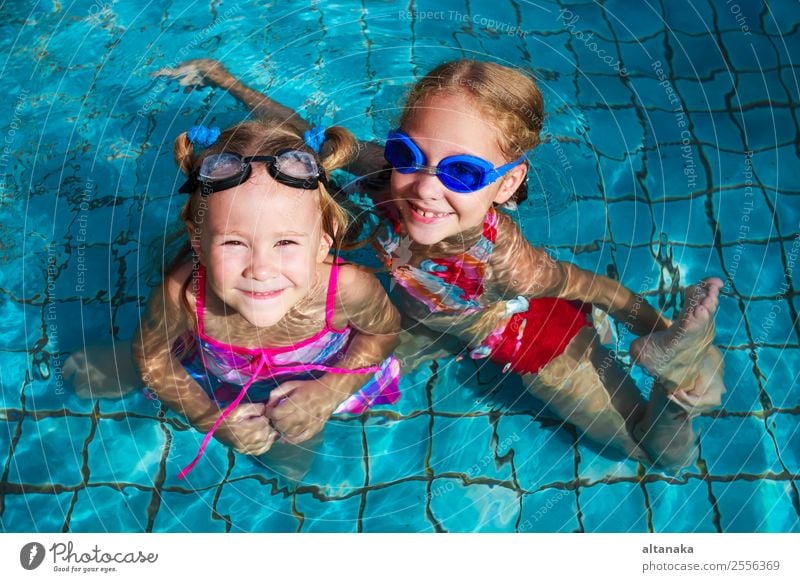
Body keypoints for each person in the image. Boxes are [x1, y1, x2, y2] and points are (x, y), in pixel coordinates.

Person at [154, 59, 725, 469]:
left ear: (508, 183)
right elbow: (302, 134)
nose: (426, 186)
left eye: (463, 173)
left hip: (521, 333)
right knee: (283, 404)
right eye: (411, 154)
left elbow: (595, 289)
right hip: (414, 319)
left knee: (657, 453)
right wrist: (224, 79)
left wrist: (653, 330)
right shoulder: (381, 174)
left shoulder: (509, 261)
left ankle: (677, 381)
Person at [133, 119, 400, 478]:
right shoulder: (183, 295)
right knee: (123, 374)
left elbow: (382, 334)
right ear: (198, 241)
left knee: (292, 461)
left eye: (285, 242)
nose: (260, 269)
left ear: (325, 238)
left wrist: (329, 390)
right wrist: (208, 417)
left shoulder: (347, 289)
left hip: (319, 375)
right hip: (220, 382)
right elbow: (152, 357)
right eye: (233, 243)